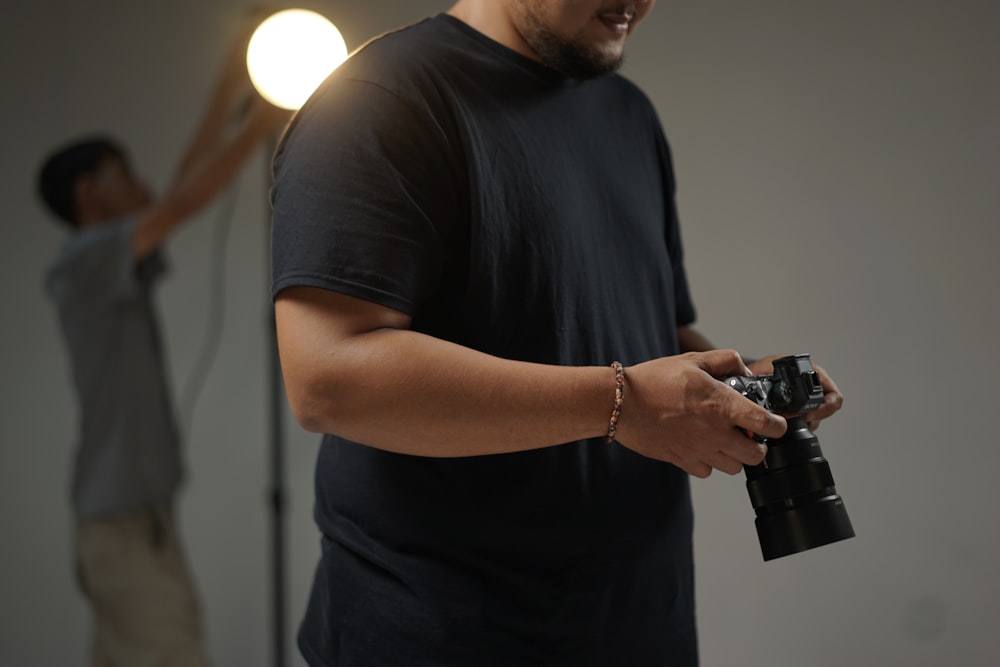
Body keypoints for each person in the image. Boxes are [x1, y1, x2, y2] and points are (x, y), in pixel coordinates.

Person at [270, 1, 843, 665]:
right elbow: (329, 379)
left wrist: (742, 387)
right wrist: (622, 401)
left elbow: (639, 328)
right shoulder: (379, 99)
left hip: (638, 628)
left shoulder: (628, 114)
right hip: (443, 639)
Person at [38, 27, 287, 667]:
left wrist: (231, 85)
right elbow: (180, 200)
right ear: (88, 193)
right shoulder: (83, 261)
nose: (141, 183)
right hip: (122, 525)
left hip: (133, 519)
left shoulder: (106, 258)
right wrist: (263, 119)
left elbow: (179, 187)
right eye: (124, 173)